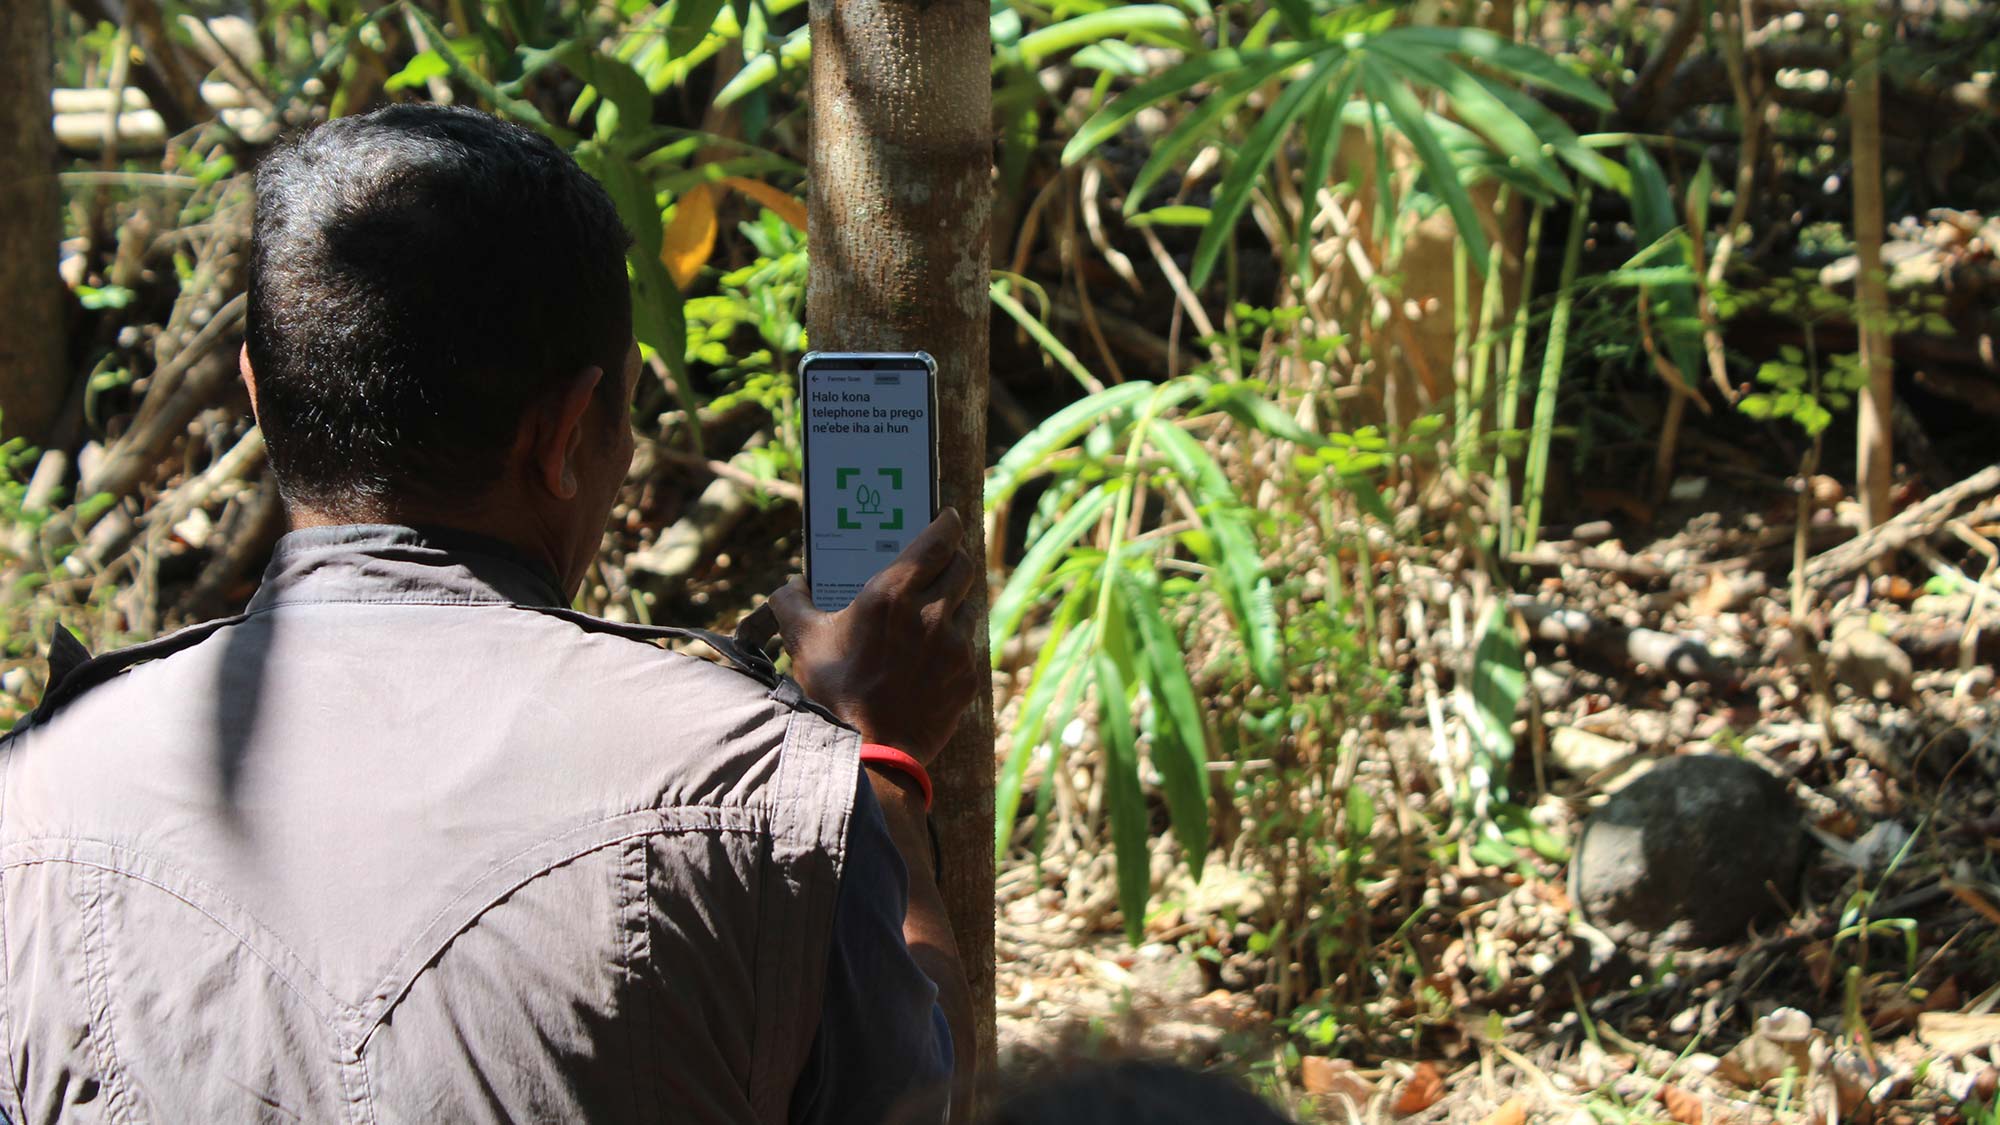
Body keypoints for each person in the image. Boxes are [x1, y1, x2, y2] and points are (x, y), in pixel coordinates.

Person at [0, 103, 978, 1124]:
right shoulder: (764, 799)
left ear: (258, 393)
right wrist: (882, 771)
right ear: (562, 433)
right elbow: (923, 1098)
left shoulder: (31, 804)